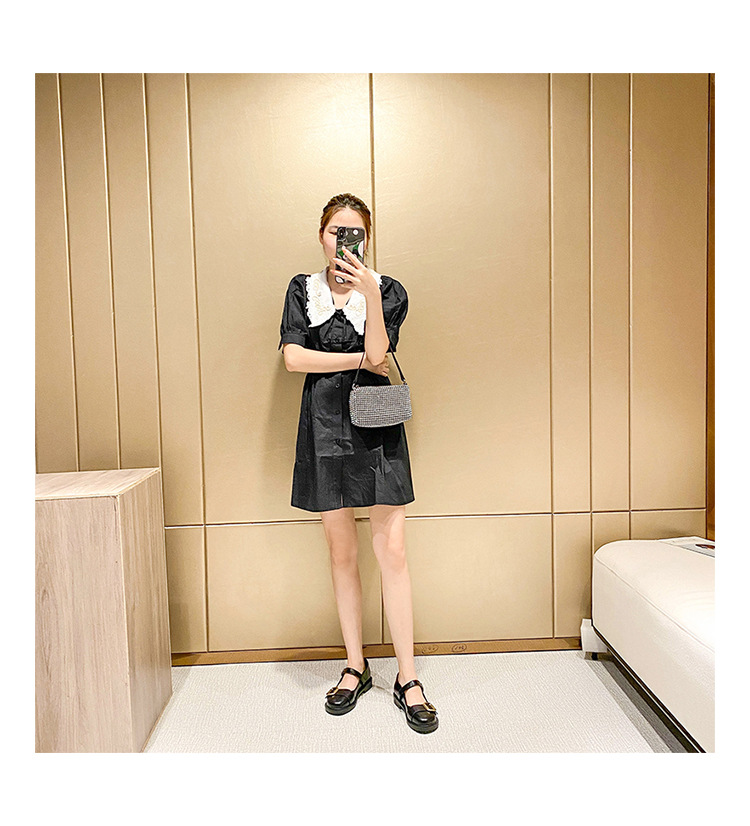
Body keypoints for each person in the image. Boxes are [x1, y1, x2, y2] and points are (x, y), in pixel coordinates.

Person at [277, 193, 438, 734]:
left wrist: (367, 291)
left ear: (367, 238)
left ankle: (408, 678)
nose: (344, 241)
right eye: (335, 231)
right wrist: (356, 361)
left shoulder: (388, 291)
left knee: (393, 551)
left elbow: (378, 354)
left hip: (376, 427)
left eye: (355, 233)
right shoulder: (302, 289)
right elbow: (293, 358)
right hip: (324, 427)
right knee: (341, 553)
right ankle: (355, 665)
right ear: (321, 235)